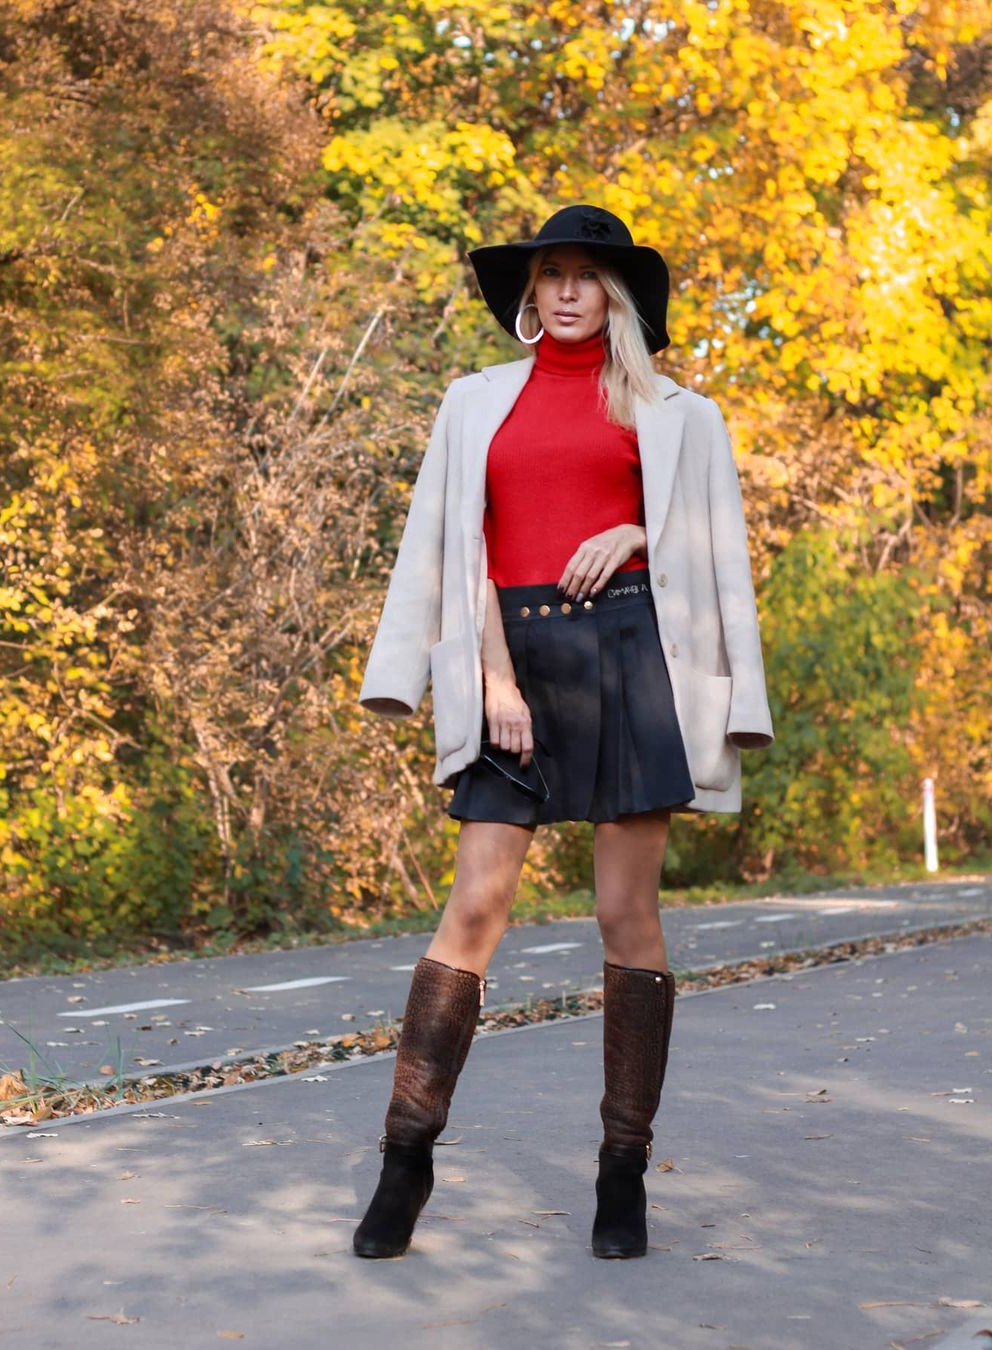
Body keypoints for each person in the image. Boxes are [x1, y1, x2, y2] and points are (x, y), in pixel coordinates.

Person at [352, 204, 773, 1260]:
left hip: (630, 659)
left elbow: (711, 553)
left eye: (588, 274)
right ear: (531, 293)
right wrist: (491, 676)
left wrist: (634, 528)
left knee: (626, 915)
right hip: (516, 657)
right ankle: (405, 1159)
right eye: (552, 273)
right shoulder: (474, 402)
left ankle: (622, 1173)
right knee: (475, 907)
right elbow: (460, 549)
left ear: (616, 294)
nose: (569, 289)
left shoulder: (680, 414)